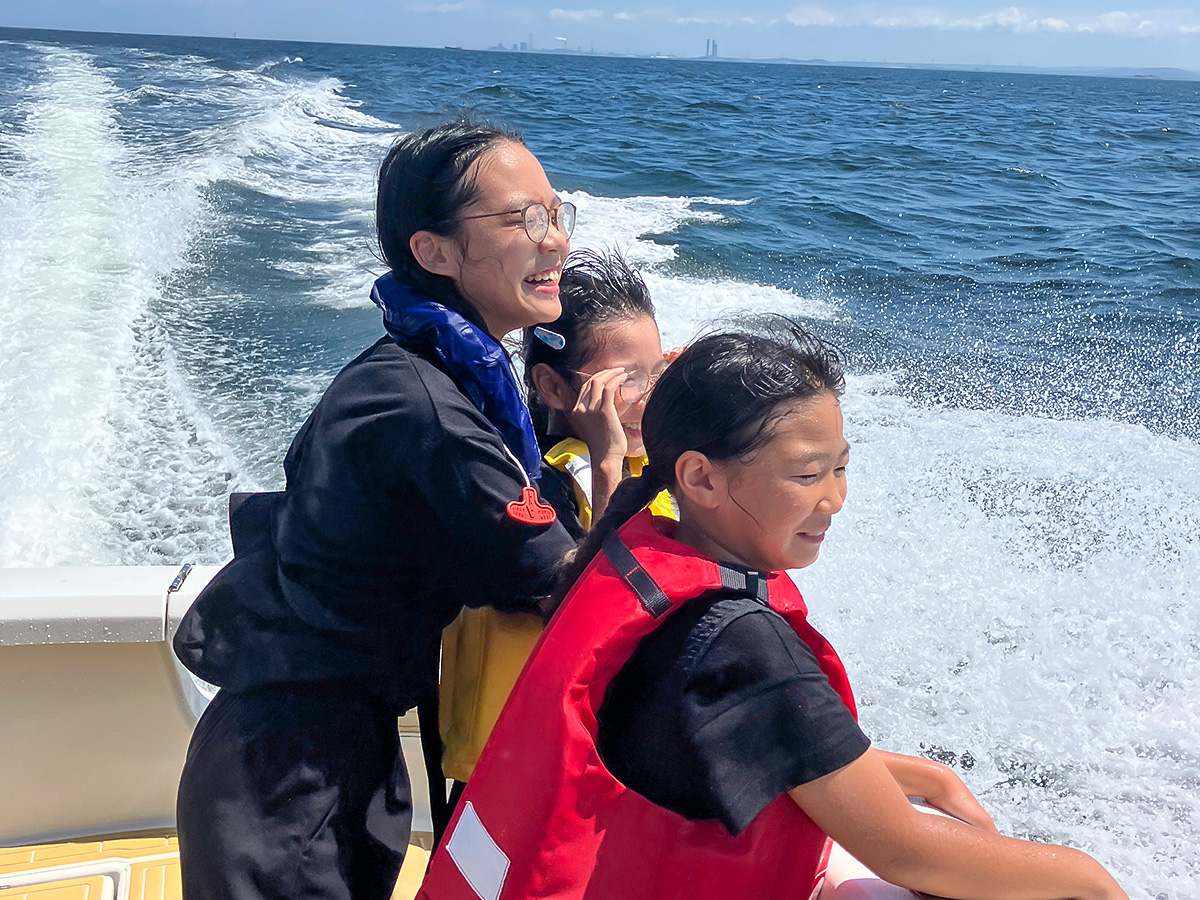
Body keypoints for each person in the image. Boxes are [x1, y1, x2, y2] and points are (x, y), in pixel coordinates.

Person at [418, 322, 1128, 900]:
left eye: (841, 467)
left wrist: (930, 776)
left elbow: (754, 742)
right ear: (699, 477)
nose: (835, 500)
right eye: (807, 474)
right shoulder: (743, 647)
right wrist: (1092, 881)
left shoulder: (631, 553)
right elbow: (903, 850)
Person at [172, 120, 579, 900]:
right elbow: (556, 581)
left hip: (325, 754)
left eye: (557, 213)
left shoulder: (419, 370)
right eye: (523, 219)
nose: (553, 240)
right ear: (434, 251)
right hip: (289, 784)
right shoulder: (428, 407)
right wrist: (641, 464)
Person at [438, 249, 673, 786]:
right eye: (626, 381)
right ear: (553, 387)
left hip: (593, 751)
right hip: (511, 768)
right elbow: (598, 603)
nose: (644, 398)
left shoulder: (646, 467)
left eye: (656, 374)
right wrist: (609, 458)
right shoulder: (525, 485)